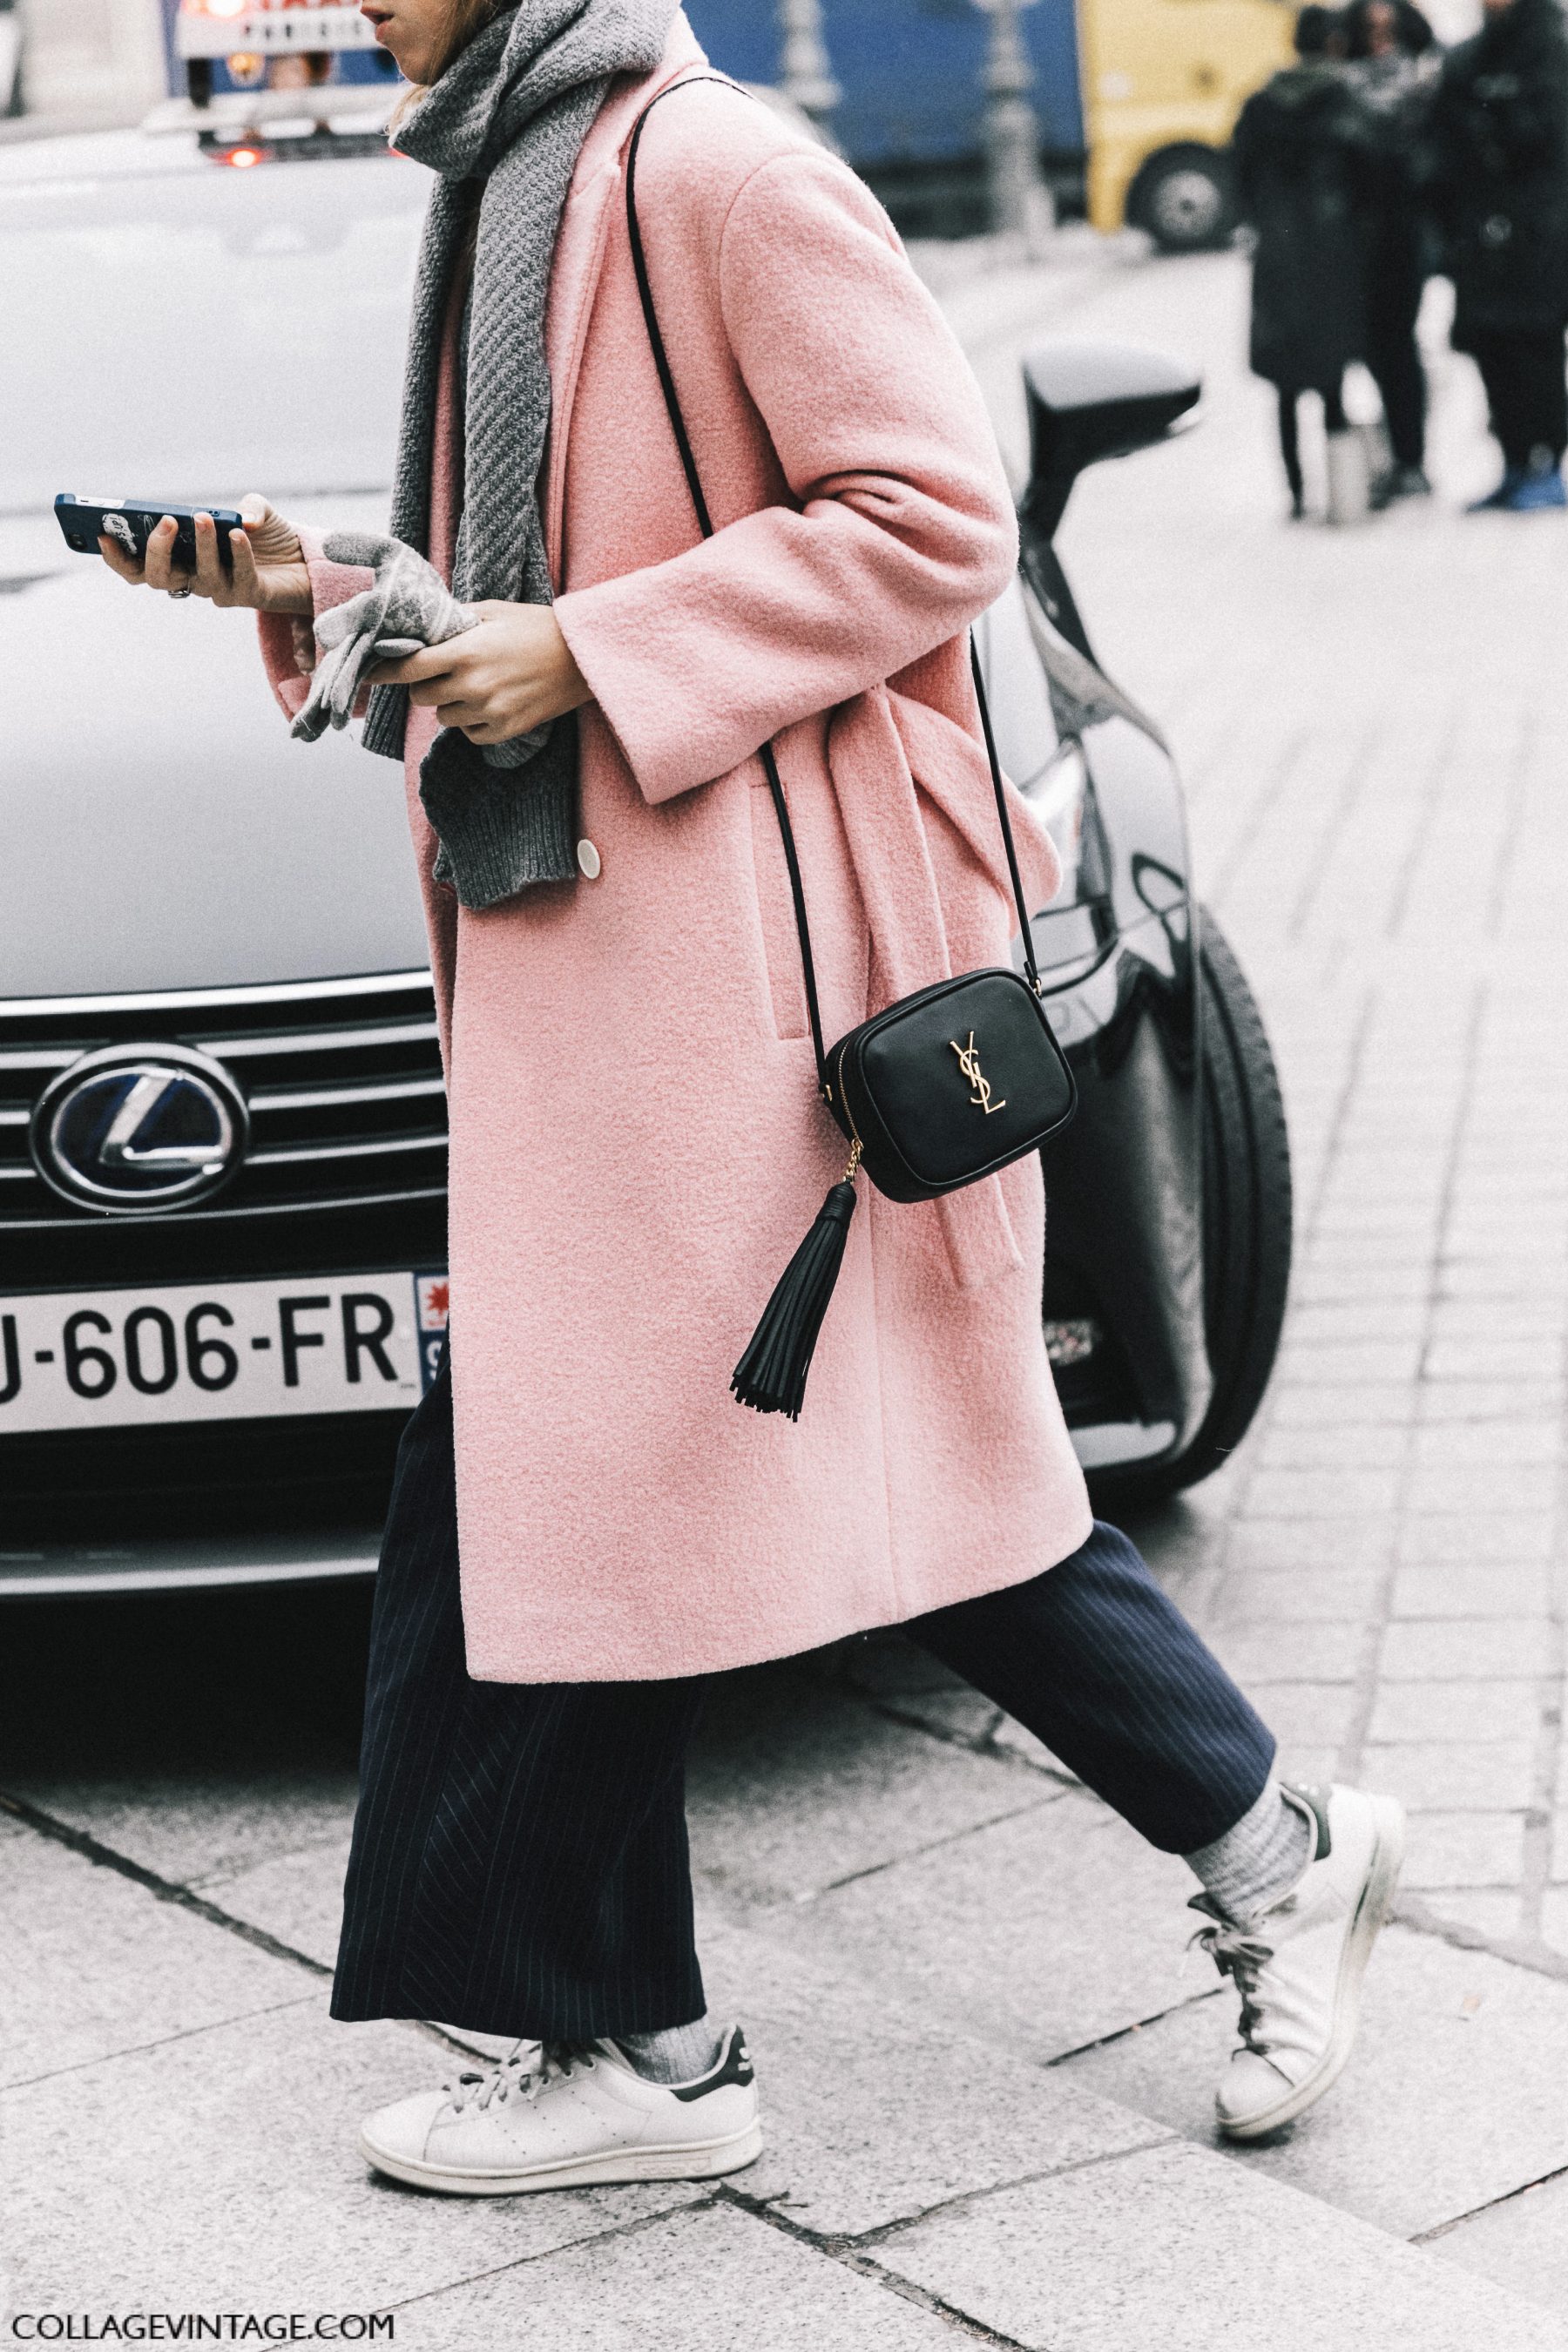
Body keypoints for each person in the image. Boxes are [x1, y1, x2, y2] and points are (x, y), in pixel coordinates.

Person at [97, 0, 1404, 2196]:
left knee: (739, 1484)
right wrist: (309, 591)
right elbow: (488, 615)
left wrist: (603, 649)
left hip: (749, 1001)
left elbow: (930, 515)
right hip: (606, 979)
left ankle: (1197, 1873)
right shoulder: (504, 184)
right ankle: (677, 2025)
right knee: (626, 1487)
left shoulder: (709, 165)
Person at [1233, 5, 1382, 519]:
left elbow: (1241, 177)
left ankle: (1296, 495)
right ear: (1335, 43)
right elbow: (1370, 174)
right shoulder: (1344, 99)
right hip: (1332, 253)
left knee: (1286, 384)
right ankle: (1344, 494)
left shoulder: (1259, 103)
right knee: (1332, 375)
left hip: (1278, 253)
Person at [1429, 0, 1568, 510]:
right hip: (1481, 239)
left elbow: (1548, 138)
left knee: (1537, 350)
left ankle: (1547, 465)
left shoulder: (1551, 49)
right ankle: (1512, 463)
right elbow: (1444, 139)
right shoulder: (1472, 56)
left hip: (1540, 238)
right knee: (1493, 351)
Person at [1344, 0, 1439, 505]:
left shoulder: (1423, 85)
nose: (1381, 40)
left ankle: (1410, 459)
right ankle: (1386, 459)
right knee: (1374, 352)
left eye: (1388, 29)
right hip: (1359, 242)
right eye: (1372, 30)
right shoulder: (1345, 88)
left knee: (1397, 348)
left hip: (1402, 241)